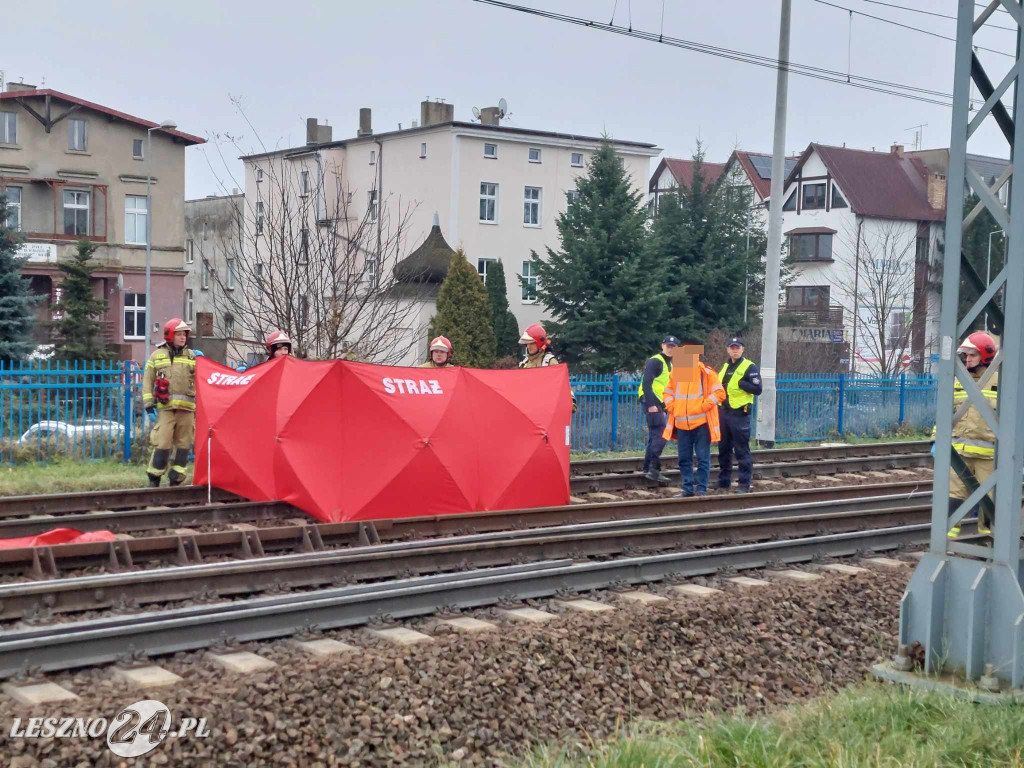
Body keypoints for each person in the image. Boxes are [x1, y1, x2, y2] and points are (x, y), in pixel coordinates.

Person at [944, 331, 998, 538]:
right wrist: (936, 439)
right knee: (953, 496)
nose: (967, 359)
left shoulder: (1001, 381)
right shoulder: (958, 380)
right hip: (960, 454)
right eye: (965, 355)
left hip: (989, 456)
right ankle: (946, 541)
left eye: (972, 355)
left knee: (990, 501)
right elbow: (946, 413)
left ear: (985, 356)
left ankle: (989, 541)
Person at [662, 339, 726, 497]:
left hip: (701, 424)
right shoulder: (678, 373)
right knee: (684, 459)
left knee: (703, 458)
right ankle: (688, 489)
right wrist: (672, 407)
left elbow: (720, 394)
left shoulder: (707, 373)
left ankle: (701, 489)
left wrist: (704, 405)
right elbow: (667, 393)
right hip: (682, 424)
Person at [143, 318, 197, 488]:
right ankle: (154, 477)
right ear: (170, 335)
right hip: (165, 409)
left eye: (184, 334)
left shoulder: (192, 356)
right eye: (179, 334)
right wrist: (148, 403)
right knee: (163, 443)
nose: (183, 338)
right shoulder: (157, 356)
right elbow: (147, 380)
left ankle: (177, 478)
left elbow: (200, 381)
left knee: (184, 445)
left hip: (187, 410)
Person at [717, 337, 762, 494]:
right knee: (723, 449)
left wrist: (742, 384)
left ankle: (744, 484)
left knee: (741, 450)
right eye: (732, 347)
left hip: (739, 414)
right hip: (723, 412)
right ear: (728, 350)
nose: (735, 350)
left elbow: (758, 389)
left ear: (742, 349)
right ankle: (724, 482)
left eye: (738, 347)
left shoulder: (749, 367)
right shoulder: (725, 367)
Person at [638, 336, 679, 484]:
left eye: (673, 346)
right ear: (662, 346)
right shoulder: (655, 361)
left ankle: (647, 468)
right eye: (668, 345)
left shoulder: (670, 364)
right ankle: (654, 469)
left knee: (655, 436)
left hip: (658, 403)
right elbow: (646, 383)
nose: (670, 348)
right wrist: (651, 404)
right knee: (662, 434)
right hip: (652, 402)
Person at [519, 323, 577, 412]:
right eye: (527, 344)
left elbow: (562, 384)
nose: (528, 346)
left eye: (531, 343)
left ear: (539, 342)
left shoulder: (549, 361)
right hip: (528, 409)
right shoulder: (524, 363)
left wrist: (570, 400)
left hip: (545, 409)